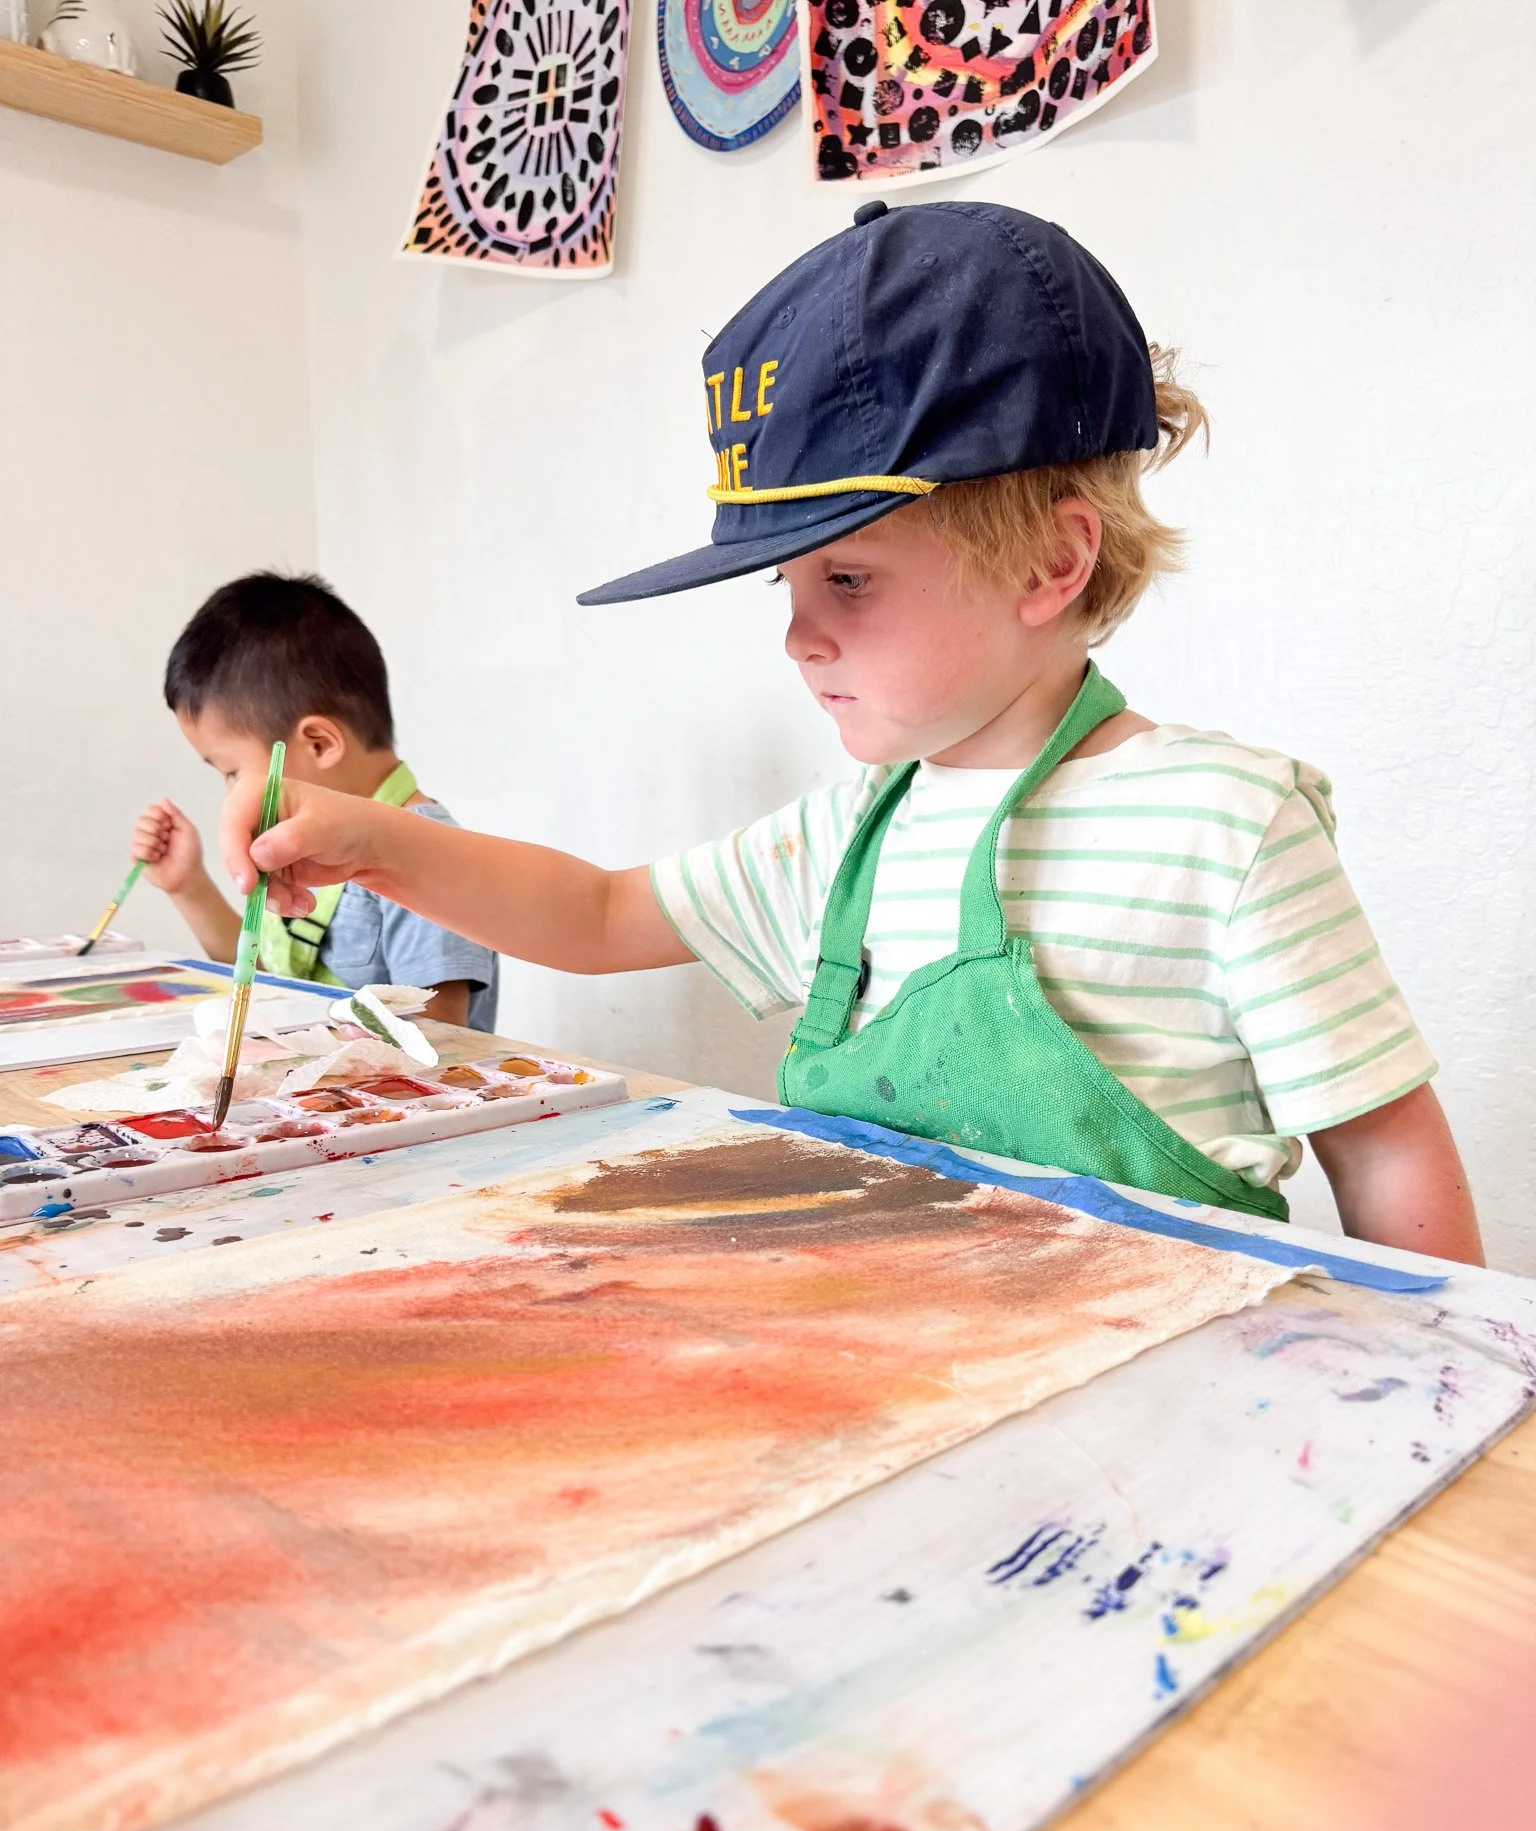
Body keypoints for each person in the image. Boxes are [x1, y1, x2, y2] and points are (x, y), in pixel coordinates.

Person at [217, 200, 1481, 1261]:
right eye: (791, 589)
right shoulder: (852, 838)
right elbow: (601, 914)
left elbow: (1383, 1151)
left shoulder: (1229, 824)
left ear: (1051, 559)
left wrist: (1454, 1400)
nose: (799, 637)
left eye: (851, 582)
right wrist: (376, 841)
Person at [132, 572, 499, 1028]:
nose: (231, 793)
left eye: (233, 772)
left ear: (320, 744)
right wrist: (188, 886)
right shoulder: (304, 847)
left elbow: (440, 1037)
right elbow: (267, 991)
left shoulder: (428, 854)